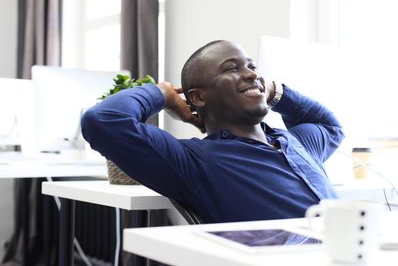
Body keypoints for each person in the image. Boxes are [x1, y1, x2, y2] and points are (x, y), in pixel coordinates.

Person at [81, 40, 344, 223]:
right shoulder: (194, 162)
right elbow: (103, 120)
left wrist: (274, 91)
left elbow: (330, 127)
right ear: (199, 96)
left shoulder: (296, 142)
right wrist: (162, 94)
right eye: (232, 68)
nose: (251, 74)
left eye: (252, 67)